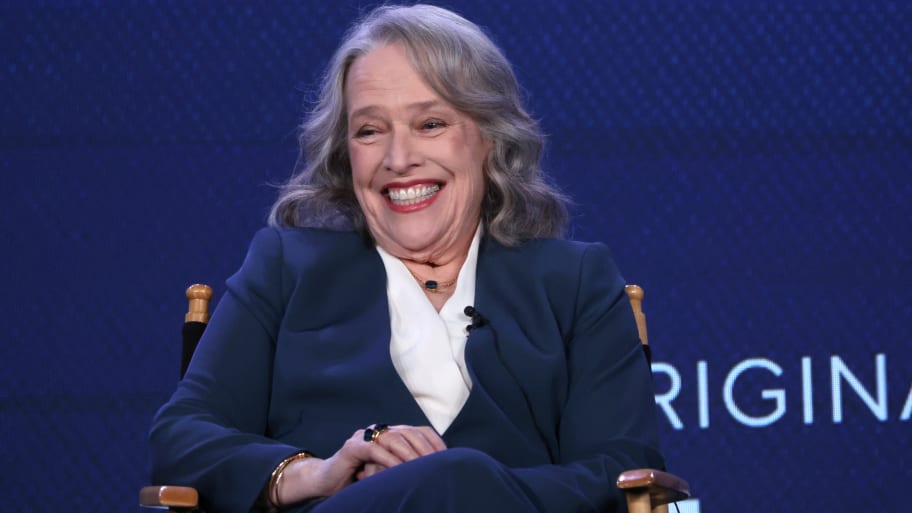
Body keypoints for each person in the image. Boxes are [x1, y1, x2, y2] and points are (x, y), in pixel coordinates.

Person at [149, 4, 664, 513]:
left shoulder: (574, 283)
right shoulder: (286, 268)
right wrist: (315, 472)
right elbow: (181, 438)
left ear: (488, 138)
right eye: (369, 131)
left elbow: (617, 470)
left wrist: (467, 486)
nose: (398, 159)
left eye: (431, 123)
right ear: (344, 150)